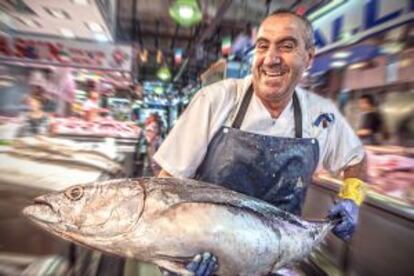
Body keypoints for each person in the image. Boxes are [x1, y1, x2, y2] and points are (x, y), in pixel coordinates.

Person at [154, 9, 367, 275]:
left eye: (287, 46)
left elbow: (356, 158)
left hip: (277, 262)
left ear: (309, 57)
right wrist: (177, 253)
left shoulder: (320, 115)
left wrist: (351, 198)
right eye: (263, 46)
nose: (271, 58)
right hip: (210, 258)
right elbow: (165, 188)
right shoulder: (217, 100)